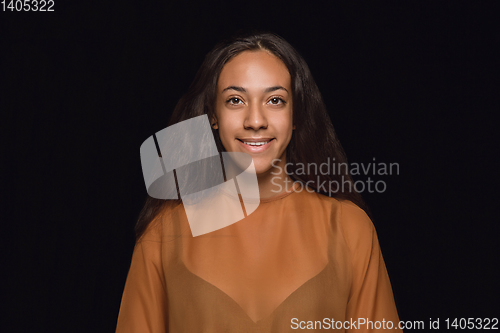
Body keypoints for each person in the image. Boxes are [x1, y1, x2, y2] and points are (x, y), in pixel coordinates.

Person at [116, 31, 402, 332]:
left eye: (275, 100)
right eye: (235, 100)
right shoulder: (163, 233)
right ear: (213, 115)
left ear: (296, 115)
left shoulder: (349, 228)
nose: (255, 120)